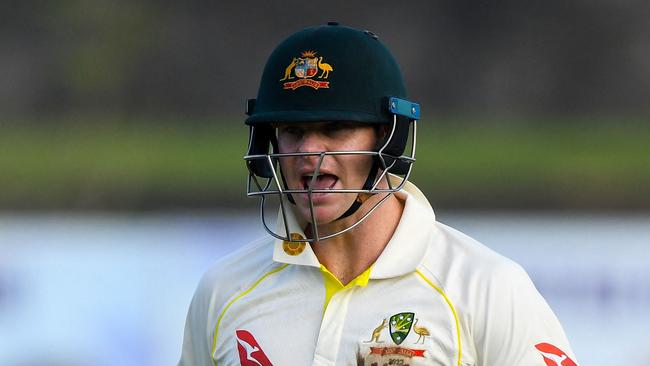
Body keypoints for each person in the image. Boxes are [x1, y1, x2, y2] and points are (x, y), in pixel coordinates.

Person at [179, 22, 578, 366]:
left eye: (335, 128)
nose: (308, 153)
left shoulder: (484, 287)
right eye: (292, 131)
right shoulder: (226, 290)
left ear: (388, 138)